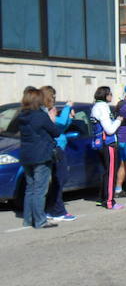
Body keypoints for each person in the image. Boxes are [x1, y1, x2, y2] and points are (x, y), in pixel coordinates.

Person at [18, 88, 62, 229]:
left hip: (26, 155)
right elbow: (55, 132)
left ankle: (28, 219)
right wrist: (52, 119)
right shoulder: (40, 116)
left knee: (30, 188)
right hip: (41, 155)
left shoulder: (21, 116)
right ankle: (40, 221)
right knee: (40, 190)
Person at [40, 86, 77, 222]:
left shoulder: (50, 109)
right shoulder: (46, 110)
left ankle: (53, 208)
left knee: (60, 179)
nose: (55, 98)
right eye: (53, 96)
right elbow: (58, 124)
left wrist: (70, 117)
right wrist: (67, 108)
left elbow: (62, 127)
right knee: (59, 178)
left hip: (60, 145)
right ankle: (58, 210)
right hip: (55, 148)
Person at [90, 86, 124, 210]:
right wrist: (119, 120)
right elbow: (109, 130)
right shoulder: (103, 107)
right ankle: (110, 201)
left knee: (105, 172)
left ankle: (102, 198)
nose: (111, 96)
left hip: (100, 143)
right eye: (110, 94)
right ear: (105, 95)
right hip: (107, 143)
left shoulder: (95, 106)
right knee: (111, 173)